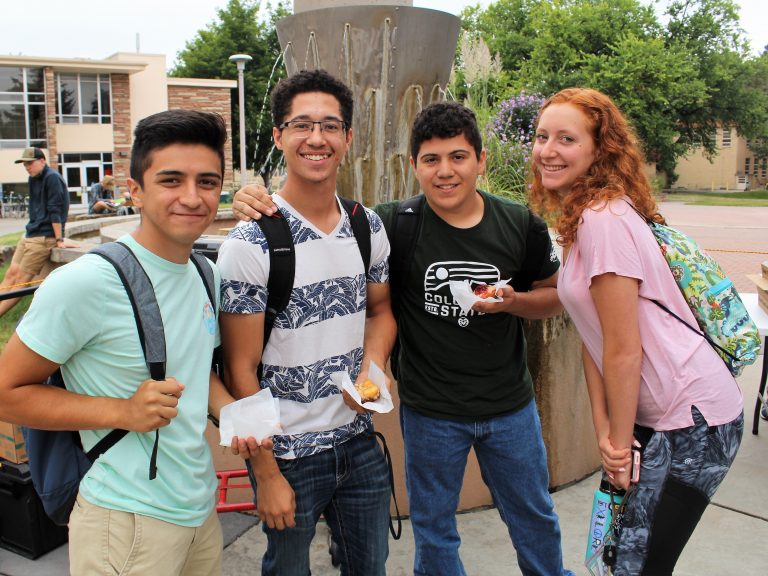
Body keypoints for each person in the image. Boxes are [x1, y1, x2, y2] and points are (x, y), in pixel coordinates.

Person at [233, 101, 574, 576]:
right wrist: (251, 198)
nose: (445, 171)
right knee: (434, 529)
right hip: (431, 413)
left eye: (458, 157)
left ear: (480, 160)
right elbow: (343, 248)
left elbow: (555, 295)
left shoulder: (519, 224)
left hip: (509, 408)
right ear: (414, 165)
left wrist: (514, 302)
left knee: (533, 516)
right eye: (431, 160)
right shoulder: (394, 224)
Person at [0, 109, 245, 576]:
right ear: (135, 190)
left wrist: (233, 412)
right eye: (171, 180)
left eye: (208, 182)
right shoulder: (87, 282)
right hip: (125, 521)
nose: (192, 197)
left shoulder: (205, 273)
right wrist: (122, 412)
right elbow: (6, 392)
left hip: (199, 510)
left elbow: (195, 370)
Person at [528, 87, 744, 575]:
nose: (548, 150)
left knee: (635, 564)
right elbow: (593, 337)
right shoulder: (580, 219)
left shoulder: (603, 219)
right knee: (620, 557)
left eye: (567, 138)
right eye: (542, 137)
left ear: (599, 150)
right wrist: (606, 432)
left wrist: (620, 446)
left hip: (693, 417)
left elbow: (624, 350)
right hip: (654, 414)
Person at [218, 69, 397, 576]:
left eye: (329, 126)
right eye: (301, 125)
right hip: (288, 456)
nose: (316, 138)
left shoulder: (366, 226)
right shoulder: (250, 243)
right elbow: (239, 369)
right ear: (279, 136)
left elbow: (380, 312)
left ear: (347, 138)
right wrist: (266, 472)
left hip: (359, 442)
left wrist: (373, 368)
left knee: (370, 567)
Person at [0, 147, 73, 319]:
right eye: (25, 164)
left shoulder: (52, 178)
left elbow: (55, 210)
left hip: (43, 238)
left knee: (21, 282)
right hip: (30, 233)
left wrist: (59, 239)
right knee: (11, 275)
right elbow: (35, 209)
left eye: (30, 163)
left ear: (42, 161)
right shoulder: (33, 178)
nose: (27, 167)